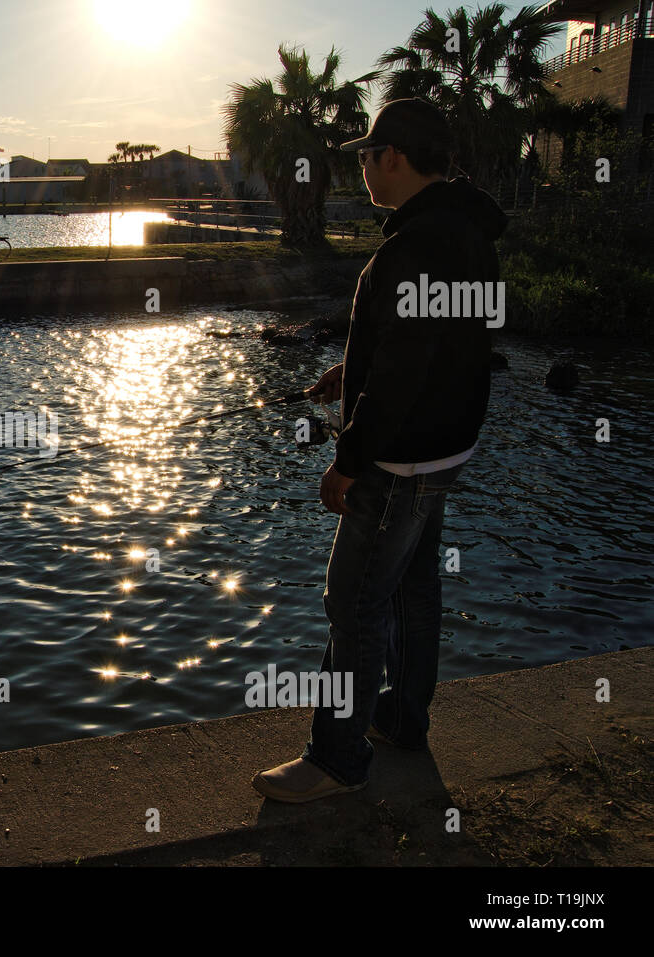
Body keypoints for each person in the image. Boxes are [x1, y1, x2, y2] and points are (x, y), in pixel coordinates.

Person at [252, 98, 508, 802]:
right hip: (444, 449)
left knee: (354, 602)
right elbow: (446, 345)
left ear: (392, 157)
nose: (361, 165)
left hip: (397, 460)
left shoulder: (414, 245)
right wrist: (351, 373)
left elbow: (405, 369)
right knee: (412, 591)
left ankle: (336, 757)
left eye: (366, 154)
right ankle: (401, 720)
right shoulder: (464, 232)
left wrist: (349, 459)